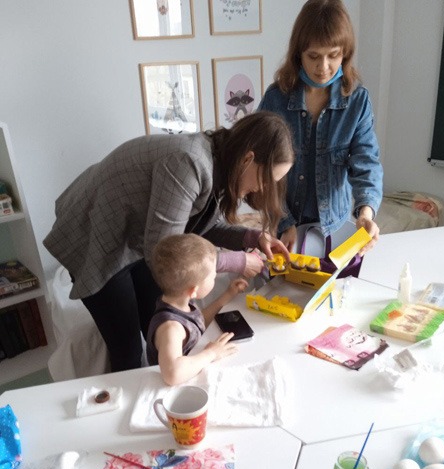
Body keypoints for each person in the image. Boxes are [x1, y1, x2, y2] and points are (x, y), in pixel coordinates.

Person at [43, 111, 294, 373]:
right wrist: (238, 261)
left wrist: (252, 237)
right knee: (128, 350)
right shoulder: (190, 163)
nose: (264, 189)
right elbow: (168, 252)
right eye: (267, 180)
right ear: (248, 159)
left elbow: (202, 226)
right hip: (97, 231)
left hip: (139, 238)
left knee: (159, 328)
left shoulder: (219, 166)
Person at [258, 0, 383, 255]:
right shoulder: (275, 99)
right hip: (285, 224)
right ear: (298, 54)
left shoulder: (357, 101)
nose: (323, 67)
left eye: (333, 55)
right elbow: (262, 170)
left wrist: (365, 213)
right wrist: (285, 221)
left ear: (345, 53)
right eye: (313, 56)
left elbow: (367, 164)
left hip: (335, 225)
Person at [147, 233, 248, 385]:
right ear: (193, 290)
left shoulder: (180, 302)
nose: (214, 278)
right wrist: (211, 353)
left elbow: (197, 322)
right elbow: (172, 375)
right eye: (213, 277)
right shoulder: (171, 328)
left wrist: (227, 295)